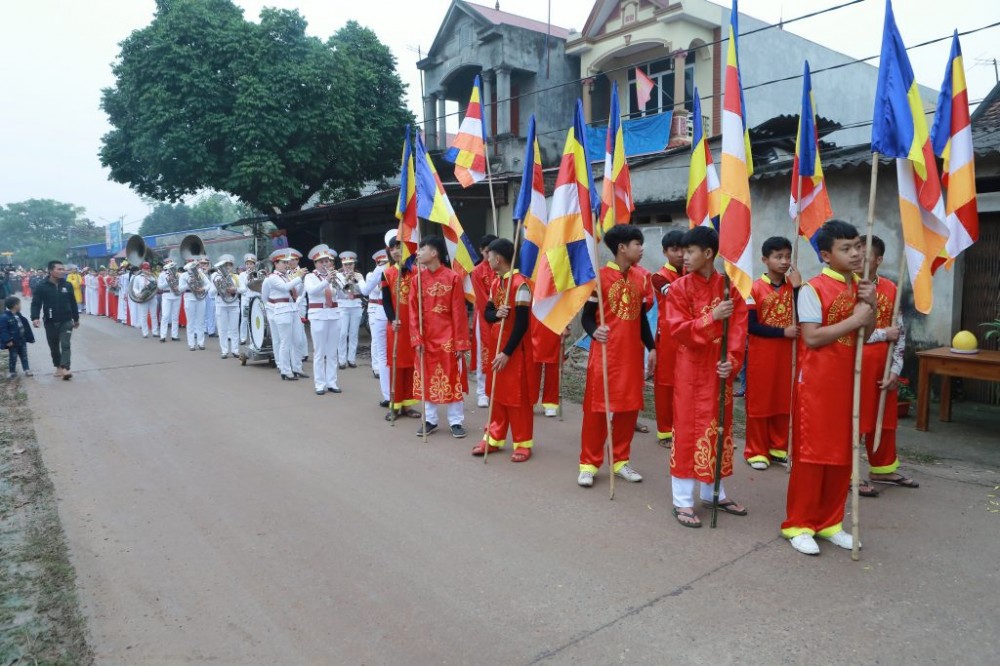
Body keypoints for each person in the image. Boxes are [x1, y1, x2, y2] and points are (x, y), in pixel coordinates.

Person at [782, 219, 875, 556]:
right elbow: (812, 337)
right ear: (825, 254)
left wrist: (872, 304)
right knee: (813, 455)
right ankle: (799, 523)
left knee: (842, 454)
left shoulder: (860, 287)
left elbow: (866, 329)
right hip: (817, 386)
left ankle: (830, 522)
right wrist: (856, 318)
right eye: (846, 248)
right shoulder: (813, 289)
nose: (856, 253)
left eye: (857, 246)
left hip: (847, 382)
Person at [664, 226, 749, 527]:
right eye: (682, 252)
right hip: (690, 370)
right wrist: (711, 318)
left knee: (719, 427)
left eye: (689, 251)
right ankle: (683, 501)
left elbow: (739, 328)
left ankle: (715, 492)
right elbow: (677, 329)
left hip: (718, 370)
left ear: (708, 253)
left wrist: (732, 360)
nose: (683, 257)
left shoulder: (729, 287)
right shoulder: (679, 288)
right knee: (688, 429)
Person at [577, 224, 655, 488]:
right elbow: (586, 317)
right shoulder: (597, 278)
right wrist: (593, 331)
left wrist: (651, 346)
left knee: (628, 410)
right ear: (622, 248)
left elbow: (642, 317)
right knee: (597, 410)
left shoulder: (642, 278)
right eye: (637, 244)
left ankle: (620, 461)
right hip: (604, 355)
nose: (641, 249)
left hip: (632, 354)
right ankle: (588, 463)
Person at [857, 235, 918, 496]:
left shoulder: (891, 289)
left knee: (884, 417)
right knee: (853, 418)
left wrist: (896, 369)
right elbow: (846, 333)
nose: (857, 258)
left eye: (864, 254)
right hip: (854, 363)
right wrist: (883, 334)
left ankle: (882, 468)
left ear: (879, 260)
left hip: (884, 363)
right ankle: (847, 471)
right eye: (852, 251)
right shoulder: (846, 288)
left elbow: (900, 333)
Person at [474, 237, 535, 461]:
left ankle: (522, 443)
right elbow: (488, 312)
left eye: (489, 255)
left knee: (517, 397)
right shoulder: (495, 283)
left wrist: (507, 352)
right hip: (496, 345)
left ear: (498, 258)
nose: (487, 259)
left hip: (514, 349)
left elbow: (522, 324)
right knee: (497, 394)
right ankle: (493, 437)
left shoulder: (521, 285)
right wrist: (496, 313)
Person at [744, 237, 800, 470]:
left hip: (788, 356)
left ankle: (779, 447)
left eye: (787, 256)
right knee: (760, 402)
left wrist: (797, 289)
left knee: (783, 400)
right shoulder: (753, 288)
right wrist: (782, 332)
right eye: (778, 257)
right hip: (762, 356)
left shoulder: (795, 286)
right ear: (765, 260)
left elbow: (802, 316)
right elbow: (750, 325)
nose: (784, 261)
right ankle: (756, 450)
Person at [409, 235, 470, 438]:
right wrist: (416, 338)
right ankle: (430, 419)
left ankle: (456, 421)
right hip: (425, 338)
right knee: (427, 376)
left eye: (421, 249)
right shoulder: (417, 279)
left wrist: (460, 342)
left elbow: (459, 313)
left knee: (452, 377)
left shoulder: (452, 277)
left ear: (434, 252)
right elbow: (412, 312)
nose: (417, 253)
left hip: (448, 339)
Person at [651, 229, 685, 447]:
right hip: (669, 337)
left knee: (686, 383)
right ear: (665, 252)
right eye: (675, 250)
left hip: (690, 334)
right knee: (665, 384)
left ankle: (683, 428)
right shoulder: (658, 276)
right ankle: (665, 431)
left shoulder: (691, 273)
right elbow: (678, 295)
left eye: (685, 249)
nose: (681, 254)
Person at [381, 236, 421, 420]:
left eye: (400, 247)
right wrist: (392, 319)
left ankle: (408, 405)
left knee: (411, 366)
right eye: (393, 248)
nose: (396, 251)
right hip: (396, 326)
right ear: (389, 251)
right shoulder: (387, 273)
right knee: (396, 365)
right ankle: (394, 405)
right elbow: (387, 301)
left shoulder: (416, 273)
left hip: (413, 326)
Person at [30, 260, 79, 380]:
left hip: (66, 320)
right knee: (54, 347)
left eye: (63, 269)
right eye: (59, 269)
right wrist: (35, 317)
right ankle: (57, 365)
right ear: (51, 271)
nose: (62, 271)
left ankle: (66, 368)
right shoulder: (41, 286)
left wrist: (76, 318)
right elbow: (36, 304)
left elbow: (73, 303)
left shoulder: (67, 285)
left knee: (65, 344)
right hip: (50, 321)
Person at [264, 250, 308, 381]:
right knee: (285, 342)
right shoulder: (272, 277)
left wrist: (301, 280)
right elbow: (283, 288)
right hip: (281, 309)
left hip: (293, 308)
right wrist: (297, 278)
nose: (286, 264)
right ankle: (285, 370)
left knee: (298, 340)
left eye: (287, 262)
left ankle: (297, 368)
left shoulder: (288, 275)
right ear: (276, 263)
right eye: (283, 262)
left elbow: (298, 292)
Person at [304, 245, 342, 394]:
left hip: (334, 314)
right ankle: (320, 384)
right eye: (321, 261)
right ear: (315, 263)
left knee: (332, 352)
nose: (325, 264)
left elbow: (344, 294)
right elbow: (312, 291)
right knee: (319, 352)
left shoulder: (334, 276)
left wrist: (343, 284)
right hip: (318, 315)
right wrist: (326, 281)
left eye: (327, 261)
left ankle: (332, 382)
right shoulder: (310, 277)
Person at [470, 234, 498, 408]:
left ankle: (496, 389)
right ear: (481, 251)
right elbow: (481, 298)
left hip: (501, 317)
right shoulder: (477, 272)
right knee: (483, 354)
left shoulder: (501, 269)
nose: (490, 255)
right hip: (484, 317)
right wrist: (494, 313)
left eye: (493, 251)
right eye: (487, 251)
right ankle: (482, 391)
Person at [363, 241, 392, 406]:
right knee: (384, 355)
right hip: (382, 313)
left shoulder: (408, 268)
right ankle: (388, 395)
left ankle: (399, 396)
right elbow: (367, 290)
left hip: (398, 315)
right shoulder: (381, 269)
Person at [336, 251, 365, 369]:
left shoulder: (358, 275)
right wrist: (346, 281)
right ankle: (342, 360)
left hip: (356, 305)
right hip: (343, 305)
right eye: (346, 264)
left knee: (353, 333)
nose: (348, 267)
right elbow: (340, 292)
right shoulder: (338, 275)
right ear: (342, 264)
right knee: (342, 333)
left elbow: (363, 290)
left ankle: (351, 359)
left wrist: (356, 281)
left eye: (351, 264)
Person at [210, 254, 241, 359]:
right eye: (225, 265)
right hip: (221, 303)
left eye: (229, 265)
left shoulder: (236, 276)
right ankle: (224, 351)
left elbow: (244, 289)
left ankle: (235, 350)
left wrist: (235, 289)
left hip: (234, 304)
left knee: (234, 328)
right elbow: (211, 292)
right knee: (222, 329)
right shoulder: (215, 276)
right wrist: (218, 286)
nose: (227, 267)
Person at [179, 258, 209, 350]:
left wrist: (203, 289)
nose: (193, 267)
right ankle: (191, 344)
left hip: (200, 297)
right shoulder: (184, 275)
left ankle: (201, 343)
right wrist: (189, 284)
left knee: (201, 321)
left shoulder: (200, 274)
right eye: (191, 265)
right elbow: (180, 288)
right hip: (189, 297)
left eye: (194, 265)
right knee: (190, 322)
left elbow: (208, 284)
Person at [2, 296, 35, 378]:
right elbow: (3, 330)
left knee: (24, 355)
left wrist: (30, 337)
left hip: (22, 340)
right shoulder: (4, 317)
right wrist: (7, 340)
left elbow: (25, 327)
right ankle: (12, 371)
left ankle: (26, 369)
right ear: (15, 306)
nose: (21, 306)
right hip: (13, 342)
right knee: (13, 356)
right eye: (19, 304)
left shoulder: (19, 316)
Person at [286, 249, 308, 365]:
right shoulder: (286, 273)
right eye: (289, 260)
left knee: (301, 329)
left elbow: (303, 290)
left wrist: (297, 302)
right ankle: (293, 352)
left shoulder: (303, 272)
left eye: (293, 260)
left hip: (300, 302)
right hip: (290, 303)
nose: (291, 262)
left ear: (297, 260)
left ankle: (304, 353)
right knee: (291, 329)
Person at [157, 261, 182, 342]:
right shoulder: (162, 274)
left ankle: (174, 335)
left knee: (175, 316)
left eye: (173, 266)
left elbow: (182, 285)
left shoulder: (179, 274)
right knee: (165, 316)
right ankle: (162, 336)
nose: (172, 268)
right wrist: (168, 281)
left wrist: (178, 287)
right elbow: (160, 287)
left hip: (177, 295)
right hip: (166, 295)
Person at [238, 253, 257, 344]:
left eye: (251, 264)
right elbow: (242, 288)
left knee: (254, 318)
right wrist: (248, 278)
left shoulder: (257, 273)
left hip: (254, 299)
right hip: (245, 299)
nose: (249, 266)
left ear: (254, 264)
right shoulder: (241, 275)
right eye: (247, 264)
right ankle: (243, 338)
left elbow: (259, 286)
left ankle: (254, 337)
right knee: (244, 318)